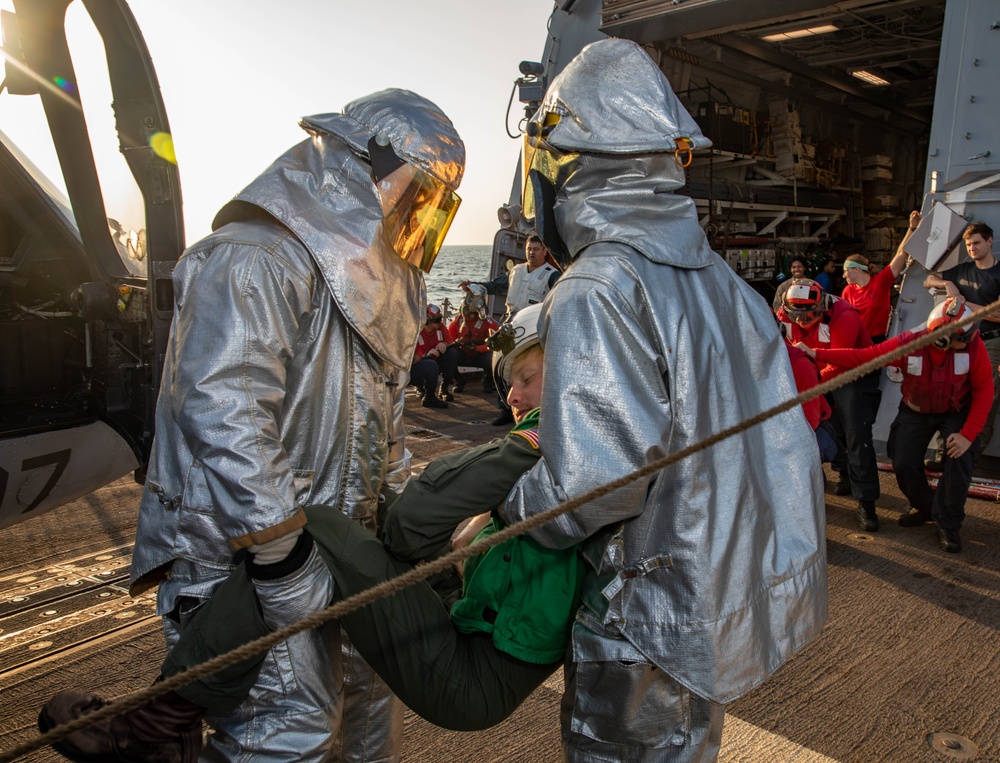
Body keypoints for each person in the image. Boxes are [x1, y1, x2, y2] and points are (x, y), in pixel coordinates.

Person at [37, 89, 466, 763]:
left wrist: (410, 525)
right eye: (416, 198)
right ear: (360, 167)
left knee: (366, 722)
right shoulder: (253, 257)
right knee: (285, 735)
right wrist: (280, 555)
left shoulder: (391, 287)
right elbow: (222, 406)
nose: (417, 221)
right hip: (243, 561)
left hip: (345, 557)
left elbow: (386, 431)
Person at [39, 306, 584, 758]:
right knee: (336, 531)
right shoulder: (583, 449)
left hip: (471, 674)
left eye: (527, 379)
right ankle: (169, 719)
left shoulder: (552, 439)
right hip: (470, 629)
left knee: (316, 528)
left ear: (567, 375)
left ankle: (160, 723)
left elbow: (416, 525)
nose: (512, 395)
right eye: (509, 382)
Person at [501, 39, 827, 762]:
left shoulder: (596, 286)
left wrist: (504, 518)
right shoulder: (724, 286)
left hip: (637, 623)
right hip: (705, 615)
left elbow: (594, 484)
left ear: (573, 168)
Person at [800, 298, 993, 553]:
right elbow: (864, 356)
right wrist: (816, 354)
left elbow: (984, 389)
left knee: (961, 457)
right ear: (941, 337)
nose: (970, 341)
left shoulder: (972, 345)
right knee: (902, 461)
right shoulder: (909, 344)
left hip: (955, 411)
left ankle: (948, 523)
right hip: (916, 409)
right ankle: (925, 507)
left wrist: (967, 435)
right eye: (963, 338)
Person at [777, 278, 881, 530]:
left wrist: (810, 381)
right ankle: (844, 472)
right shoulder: (785, 317)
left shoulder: (845, 316)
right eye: (797, 316)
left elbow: (841, 360)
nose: (803, 321)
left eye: (810, 314)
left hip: (850, 373)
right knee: (819, 427)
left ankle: (866, 502)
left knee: (856, 434)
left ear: (822, 306)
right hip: (813, 373)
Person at [923, 221, 1000, 454]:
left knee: (985, 399)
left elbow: (997, 315)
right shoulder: (962, 271)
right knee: (950, 393)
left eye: (976, 242)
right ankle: (943, 451)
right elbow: (928, 280)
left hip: (991, 342)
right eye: (968, 244)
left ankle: (971, 454)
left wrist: (966, 303)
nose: (972, 248)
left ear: (989, 241)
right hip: (961, 342)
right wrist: (946, 283)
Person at [841, 211, 920, 342]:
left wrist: (912, 228)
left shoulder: (880, 282)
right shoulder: (847, 291)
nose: (844, 276)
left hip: (876, 340)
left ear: (856, 270)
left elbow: (901, 254)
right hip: (855, 341)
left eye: (845, 271)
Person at [459, 234, 560, 320]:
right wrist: (472, 286)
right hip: (512, 321)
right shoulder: (516, 270)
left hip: (533, 325)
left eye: (536, 249)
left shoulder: (552, 275)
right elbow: (494, 286)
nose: (531, 252)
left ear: (545, 251)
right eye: (529, 249)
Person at [439, 293, 499, 397]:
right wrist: (460, 344)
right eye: (468, 311)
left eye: (474, 312)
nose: (471, 314)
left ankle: (487, 381)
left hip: (482, 354)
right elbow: (449, 341)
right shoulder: (457, 322)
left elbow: (496, 341)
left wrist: (478, 348)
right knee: (450, 356)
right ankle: (459, 380)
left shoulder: (488, 322)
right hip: (463, 353)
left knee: (492, 359)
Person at [411, 303, 450, 408]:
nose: (439, 322)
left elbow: (451, 342)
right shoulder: (415, 330)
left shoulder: (440, 328)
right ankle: (420, 387)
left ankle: (442, 390)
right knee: (430, 365)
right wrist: (425, 355)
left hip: (431, 361)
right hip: (409, 367)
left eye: (440, 319)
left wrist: (444, 344)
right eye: (436, 320)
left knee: (451, 354)